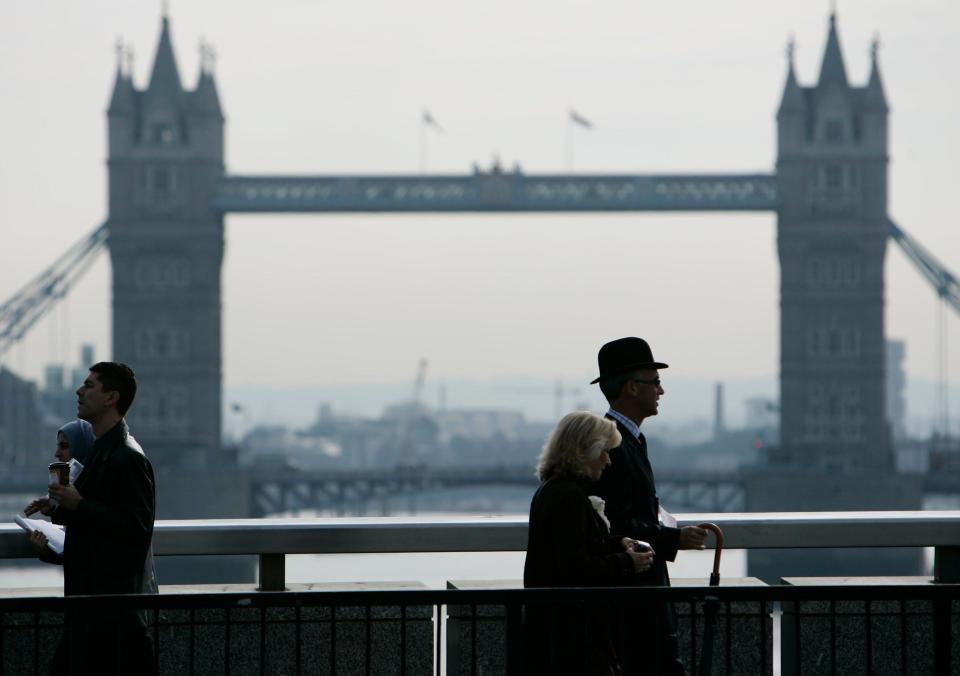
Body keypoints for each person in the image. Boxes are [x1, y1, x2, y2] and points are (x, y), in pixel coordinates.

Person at [24, 362, 157, 676]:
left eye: (89, 385)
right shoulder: (102, 453)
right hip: (92, 614)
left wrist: (79, 504)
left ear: (111, 398)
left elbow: (136, 532)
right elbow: (100, 534)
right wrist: (59, 513)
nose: (78, 391)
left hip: (111, 622)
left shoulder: (128, 458)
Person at [592, 337, 707, 676]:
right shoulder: (613, 444)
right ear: (631, 388)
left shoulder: (624, 439)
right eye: (654, 382)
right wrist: (673, 539)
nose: (661, 390)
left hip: (638, 596)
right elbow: (615, 522)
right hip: (633, 601)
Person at [524, 411, 655, 676]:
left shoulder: (552, 490)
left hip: (553, 631)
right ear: (587, 451)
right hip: (572, 636)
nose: (608, 461)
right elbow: (576, 568)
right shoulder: (569, 497)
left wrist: (618, 543)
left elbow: (574, 547)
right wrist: (627, 562)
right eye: (605, 451)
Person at [25, 420, 96, 562]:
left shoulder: (96, 488)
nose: (57, 453)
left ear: (80, 448)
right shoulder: (79, 487)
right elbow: (77, 552)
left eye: (64, 446)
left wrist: (76, 505)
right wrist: (46, 549)